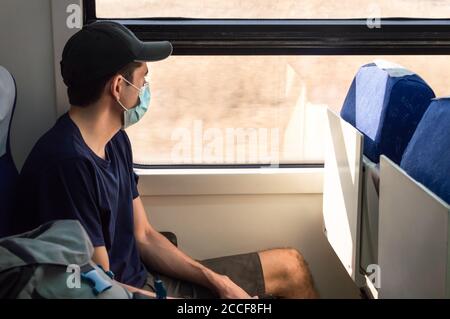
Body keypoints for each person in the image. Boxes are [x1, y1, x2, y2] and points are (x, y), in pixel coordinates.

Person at [11, 21, 318, 299]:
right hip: (123, 292)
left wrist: (217, 281)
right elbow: (99, 285)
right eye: (142, 81)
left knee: (290, 267)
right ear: (118, 87)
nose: (145, 91)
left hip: (146, 280)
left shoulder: (115, 140)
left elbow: (143, 235)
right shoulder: (67, 165)